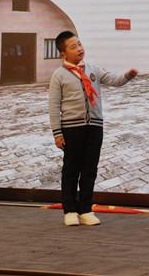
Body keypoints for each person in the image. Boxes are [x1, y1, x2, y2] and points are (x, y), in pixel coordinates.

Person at [49, 30, 138, 226]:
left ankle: (86, 210)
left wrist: (128, 76)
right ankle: (70, 210)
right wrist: (57, 133)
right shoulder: (59, 75)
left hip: (94, 127)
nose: (79, 49)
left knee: (90, 169)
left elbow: (114, 80)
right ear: (63, 53)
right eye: (73, 47)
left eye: (79, 44)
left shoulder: (93, 69)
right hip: (72, 129)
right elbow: (54, 106)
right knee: (71, 170)